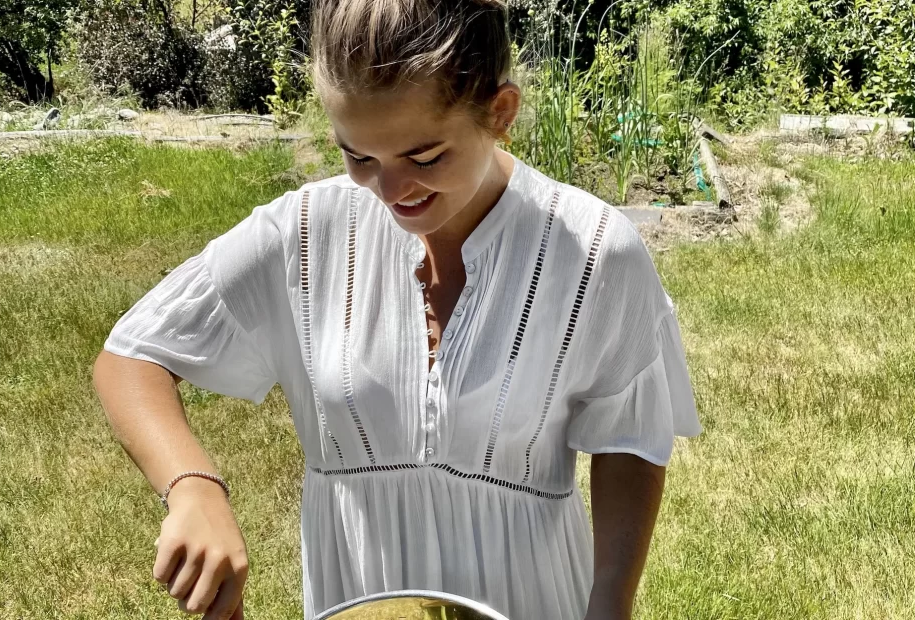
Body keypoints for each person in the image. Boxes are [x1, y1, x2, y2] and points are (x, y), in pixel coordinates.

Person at [92, 1, 701, 618]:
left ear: (500, 112)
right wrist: (193, 489)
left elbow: (629, 437)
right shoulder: (305, 234)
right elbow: (132, 353)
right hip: (355, 597)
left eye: (424, 157)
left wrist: (609, 606)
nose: (390, 192)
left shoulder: (594, 250)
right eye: (359, 157)